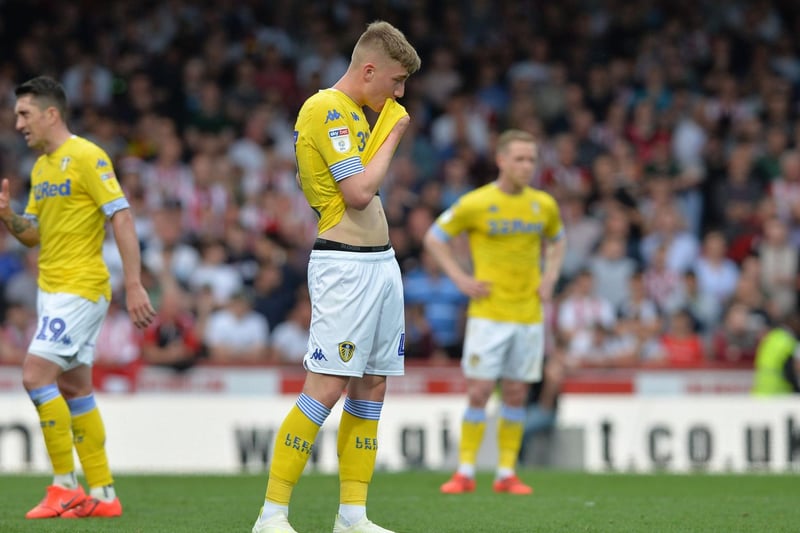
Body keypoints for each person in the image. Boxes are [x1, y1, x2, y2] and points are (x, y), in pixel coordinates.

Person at [251, 21, 420, 533]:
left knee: (371, 386)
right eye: (395, 81)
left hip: (380, 264)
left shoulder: (351, 113)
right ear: (369, 70)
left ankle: (352, 516)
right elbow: (359, 193)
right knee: (325, 387)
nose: (399, 93)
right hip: (344, 266)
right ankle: (272, 513)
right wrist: (393, 129)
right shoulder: (326, 108)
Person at [1, 76, 155, 518]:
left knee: (34, 376)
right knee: (74, 387)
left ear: (51, 114)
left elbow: (121, 217)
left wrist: (134, 283)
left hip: (81, 287)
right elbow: (33, 235)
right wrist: (9, 217)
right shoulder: (42, 168)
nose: (18, 124)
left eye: (24, 114)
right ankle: (104, 495)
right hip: (51, 291)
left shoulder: (88, 156)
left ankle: (65, 484)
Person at [423, 129, 566, 495]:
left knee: (516, 393)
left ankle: (506, 473)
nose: (526, 166)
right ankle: (466, 471)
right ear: (501, 160)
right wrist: (459, 277)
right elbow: (434, 237)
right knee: (480, 391)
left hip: (528, 314)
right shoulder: (476, 202)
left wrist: (549, 276)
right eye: (519, 158)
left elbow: (558, 239)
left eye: (531, 159)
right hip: (488, 313)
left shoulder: (543, 205)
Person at [752, 312, 800, 395]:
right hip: (779, 393)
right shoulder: (789, 342)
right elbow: (790, 371)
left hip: (761, 391)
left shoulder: (771, 337)